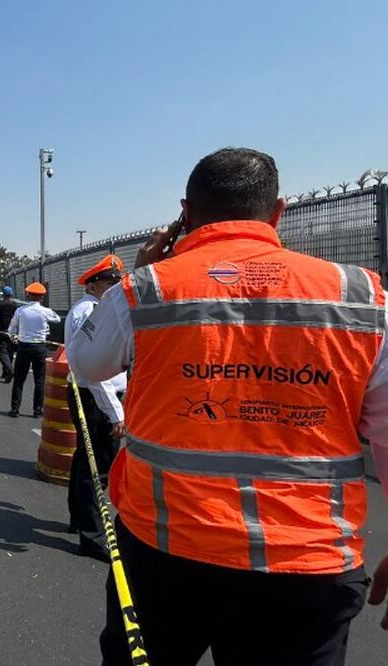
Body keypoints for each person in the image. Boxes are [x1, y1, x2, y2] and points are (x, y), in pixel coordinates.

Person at [67, 147, 388, 665]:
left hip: (166, 550)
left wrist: (138, 278)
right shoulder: (360, 297)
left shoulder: (147, 290)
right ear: (278, 212)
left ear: (185, 216)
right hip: (307, 563)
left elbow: (86, 361)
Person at [63, 254, 126, 563]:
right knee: (97, 470)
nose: (117, 287)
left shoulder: (90, 310)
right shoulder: (91, 313)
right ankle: (93, 538)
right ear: (96, 283)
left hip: (89, 395)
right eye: (112, 282)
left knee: (83, 462)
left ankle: (79, 518)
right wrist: (116, 412)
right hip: (97, 398)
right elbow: (94, 370)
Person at [7, 282, 59, 417]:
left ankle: (15, 409)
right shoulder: (45, 311)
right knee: (39, 380)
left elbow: (11, 328)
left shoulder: (20, 311)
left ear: (28, 295)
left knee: (19, 379)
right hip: (39, 347)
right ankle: (37, 409)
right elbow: (57, 319)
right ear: (42, 297)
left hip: (23, 347)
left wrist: (13, 336)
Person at [0, 286, 20, 381]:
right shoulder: (16, 306)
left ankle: (9, 370)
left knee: (1, 352)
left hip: (1, 331)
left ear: (3, 294)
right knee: (10, 353)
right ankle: (6, 373)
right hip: (13, 333)